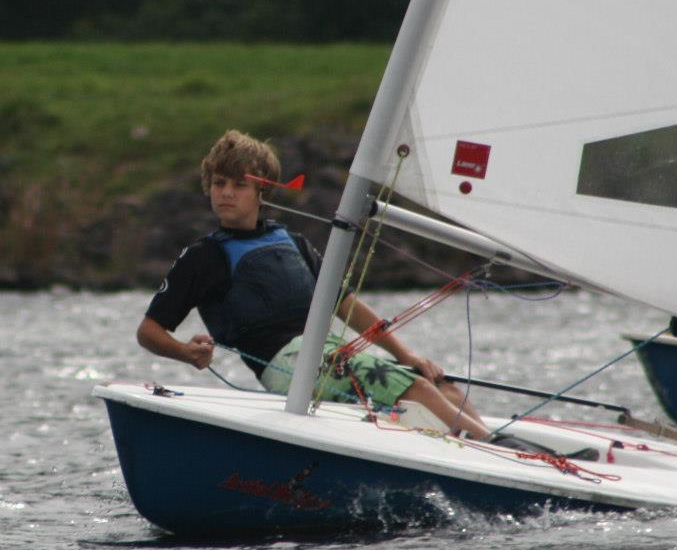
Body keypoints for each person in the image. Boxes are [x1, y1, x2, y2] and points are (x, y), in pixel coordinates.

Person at [136, 129, 490, 439]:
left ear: (262, 191)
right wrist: (186, 353)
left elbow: (347, 305)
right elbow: (149, 331)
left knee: (441, 386)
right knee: (417, 389)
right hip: (286, 367)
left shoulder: (294, 243)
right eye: (218, 183)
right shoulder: (203, 257)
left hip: (332, 353)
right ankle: (494, 449)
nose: (226, 193)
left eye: (239, 185)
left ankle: (491, 446)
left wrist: (406, 355)